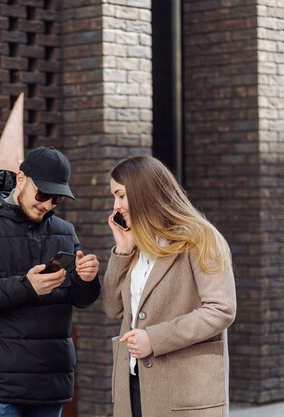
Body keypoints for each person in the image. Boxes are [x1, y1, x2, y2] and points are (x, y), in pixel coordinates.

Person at [0, 146, 101, 417]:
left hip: (49, 383)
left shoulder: (65, 232)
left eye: (56, 199)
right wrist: (25, 287)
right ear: (20, 180)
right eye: (42, 194)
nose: (47, 205)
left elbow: (79, 298)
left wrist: (87, 280)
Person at [102, 155, 236, 417]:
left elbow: (221, 309)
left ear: (143, 192)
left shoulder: (200, 238)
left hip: (184, 391)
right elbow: (113, 309)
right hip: (133, 384)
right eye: (113, 197)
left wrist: (154, 338)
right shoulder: (136, 245)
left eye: (120, 195)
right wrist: (122, 250)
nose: (115, 206)